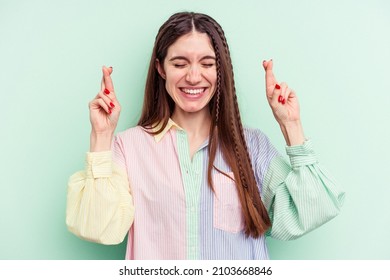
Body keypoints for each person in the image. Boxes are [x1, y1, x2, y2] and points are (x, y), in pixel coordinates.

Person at [66, 12, 345, 260]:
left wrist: (291, 125)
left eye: (207, 63)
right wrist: (101, 136)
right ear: (161, 68)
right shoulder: (128, 147)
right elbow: (98, 227)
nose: (194, 76)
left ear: (219, 69)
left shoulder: (252, 146)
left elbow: (313, 210)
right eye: (180, 64)